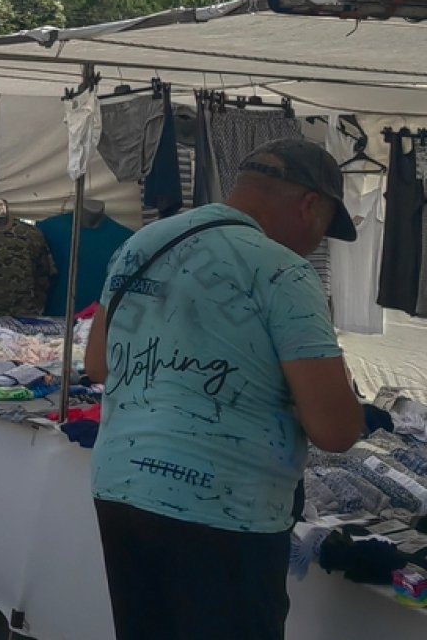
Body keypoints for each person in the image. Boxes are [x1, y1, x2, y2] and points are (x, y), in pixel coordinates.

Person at [83, 140, 365, 640]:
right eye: (324, 229)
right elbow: (336, 430)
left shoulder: (144, 243)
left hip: (121, 490)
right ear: (310, 205)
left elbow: (99, 365)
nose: (317, 243)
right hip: (224, 511)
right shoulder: (284, 272)